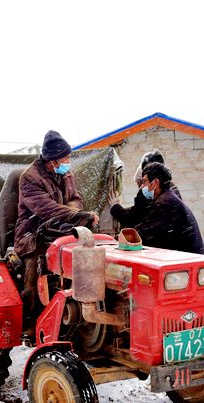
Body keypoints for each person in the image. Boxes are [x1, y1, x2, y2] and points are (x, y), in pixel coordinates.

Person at [14, 130, 99, 329]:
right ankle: (33, 322)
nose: (69, 162)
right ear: (52, 161)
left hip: (62, 229)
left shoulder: (66, 173)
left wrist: (72, 211)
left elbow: (76, 199)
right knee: (36, 268)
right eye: (65, 158)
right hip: (33, 234)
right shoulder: (29, 178)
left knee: (87, 258)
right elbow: (47, 209)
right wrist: (79, 215)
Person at [133, 162, 204, 255]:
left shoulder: (165, 202)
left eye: (144, 181)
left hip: (189, 260)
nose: (142, 186)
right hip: (190, 258)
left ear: (155, 182)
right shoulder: (168, 197)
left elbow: (145, 232)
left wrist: (121, 237)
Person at [108, 150, 168, 227]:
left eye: (143, 181)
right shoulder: (166, 187)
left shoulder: (159, 197)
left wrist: (115, 207)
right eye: (140, 182)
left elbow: (132, 218)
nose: (141, 187)